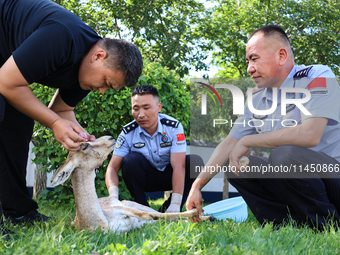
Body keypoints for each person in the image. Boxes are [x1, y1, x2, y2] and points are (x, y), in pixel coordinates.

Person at [0, 0, 143, 236]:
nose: (102, 91)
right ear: (99, 55)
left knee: (18, 124)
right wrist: (55, 124)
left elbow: (61, 110)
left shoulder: (86, 75)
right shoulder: (63, 36)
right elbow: (6, 82)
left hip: (6, 61)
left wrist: (80, 137)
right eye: (106, 82)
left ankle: (20, 213)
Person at [186, 25, 340, 231]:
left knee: (284, 155)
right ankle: (284, 226)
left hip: (334, 179)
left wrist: (248, 140)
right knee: (238, 165)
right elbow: (229, 144)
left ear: (281, 55)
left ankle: (327, 225)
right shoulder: (257, 98)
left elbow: (309, 135)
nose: (249, 68)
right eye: (248, 61)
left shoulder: (317, 75)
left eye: (254, 58)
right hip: (298, 184)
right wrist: (196, 187)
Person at [106, 85, 203, 213]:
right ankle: (143, 210)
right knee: (130, 161)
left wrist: (175, 203)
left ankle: (170, 209)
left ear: (159, 107)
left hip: (170, 176)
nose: (141, 115)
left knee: (195, 162)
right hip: (146, 178)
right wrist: (113, 197)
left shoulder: (173, 127)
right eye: (136, 109)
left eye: (146, 108)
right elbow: (112, 167)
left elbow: (179, 165)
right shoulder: (128, 133)